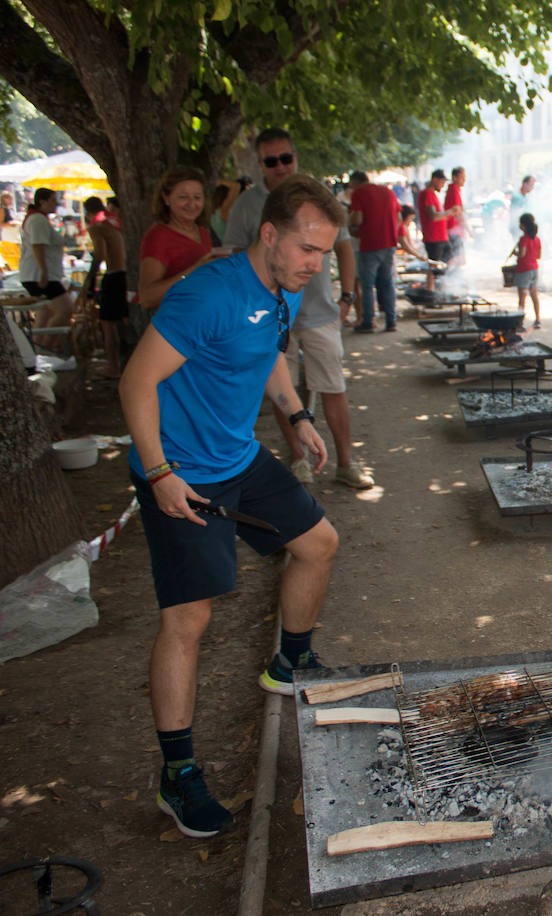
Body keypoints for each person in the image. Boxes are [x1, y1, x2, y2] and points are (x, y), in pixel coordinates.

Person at [119, 174, 346, 838]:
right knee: (188, 620)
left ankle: (290, 661)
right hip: (183, 471)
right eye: (307, 249)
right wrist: (159, 473)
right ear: (269, 234)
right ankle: (178, 774)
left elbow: (268, 356)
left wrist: (298, 413)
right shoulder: (207, 294)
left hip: (238, 456)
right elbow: (136, 382)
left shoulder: (281, 289)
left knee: (320, 544)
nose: (315, 265)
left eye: (324, 254)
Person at [224, 127, 370, 489]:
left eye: (285, 158)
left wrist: (347, 297)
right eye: (270, 161)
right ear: (260, 164)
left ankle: (345, 463)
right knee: (280, 389)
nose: (279, 166)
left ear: (295, 157)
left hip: (320, 313)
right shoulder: (247, 205)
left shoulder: (318, 197)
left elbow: (344, 248)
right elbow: (233, 257)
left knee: (333, 387)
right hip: (270, 318)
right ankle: (300, 459)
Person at [138, 166, 216, 313]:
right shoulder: (158, 236)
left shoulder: (203, 233)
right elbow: (147, 298)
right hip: (176, 324)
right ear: (166, 198)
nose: (191, 204)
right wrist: (194, 271)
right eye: (183, 197)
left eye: (197, 197)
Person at [348, 170, 401, 334]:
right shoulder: (388, 192)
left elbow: (357, 219)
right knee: (387, 283)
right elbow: (399, 219)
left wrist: (348, 221)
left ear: (355, 182)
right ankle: (391, 320)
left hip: (370, 244)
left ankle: (368, 321)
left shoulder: (359, 193)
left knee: (367, 285)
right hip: (389, 243)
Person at [82, 196, 127, 378]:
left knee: (107, 325)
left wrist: (90, 279)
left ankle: (113, 367)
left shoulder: (97, 226)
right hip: (124, 275)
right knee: (122, 322)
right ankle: (120, 364)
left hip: (113, 275)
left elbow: (100, 254)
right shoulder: (113, 222)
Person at [19, 187, 76, 333]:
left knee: (45, 314)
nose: (56, 203)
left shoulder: (38, 218)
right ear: (42, 201)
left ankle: (42, 349)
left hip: (39, 274)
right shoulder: (37, 219)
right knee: (65, 310)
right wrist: (43, 271)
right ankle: (46, 346)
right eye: (53, 200)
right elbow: (37, 245)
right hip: (41, 275)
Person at [417, 169, 456, 291]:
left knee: (448, 261)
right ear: (435, 180)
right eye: (442, 182)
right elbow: (433, 216)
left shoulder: (432, 194)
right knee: (433, 267)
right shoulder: (427, 194)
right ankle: (431, 291)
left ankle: (441, 289)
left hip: (440, 236)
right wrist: (450, 212)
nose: (443, 185)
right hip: (433, 237)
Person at [514, 212, 542, 328]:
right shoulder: (537, 239)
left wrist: (516, 253)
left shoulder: (523, 239)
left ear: (523, 226)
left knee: (522, 296)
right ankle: (538, 319)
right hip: (534, 268)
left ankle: (520, 322)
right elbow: (538, 256)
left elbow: (522, 254)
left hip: (524, 269)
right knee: (534, 295)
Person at [443, 166, 468, 266]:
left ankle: (451, 278)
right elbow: (458, 213)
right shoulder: (454, 190)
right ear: (454, 177)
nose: (464, 180)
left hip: (453, 229)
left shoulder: (452, 189)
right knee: (457, 259)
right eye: (462, 177)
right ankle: (449, 279)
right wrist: (469, 230)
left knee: (456, 258)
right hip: (453, 230)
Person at [509, 174, 536, 240]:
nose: (532, 188)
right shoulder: (517, 197)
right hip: (518, 227)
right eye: (531, 185)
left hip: (524, 227)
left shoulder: (526, 196)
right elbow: (516, 214)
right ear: (524, 184)